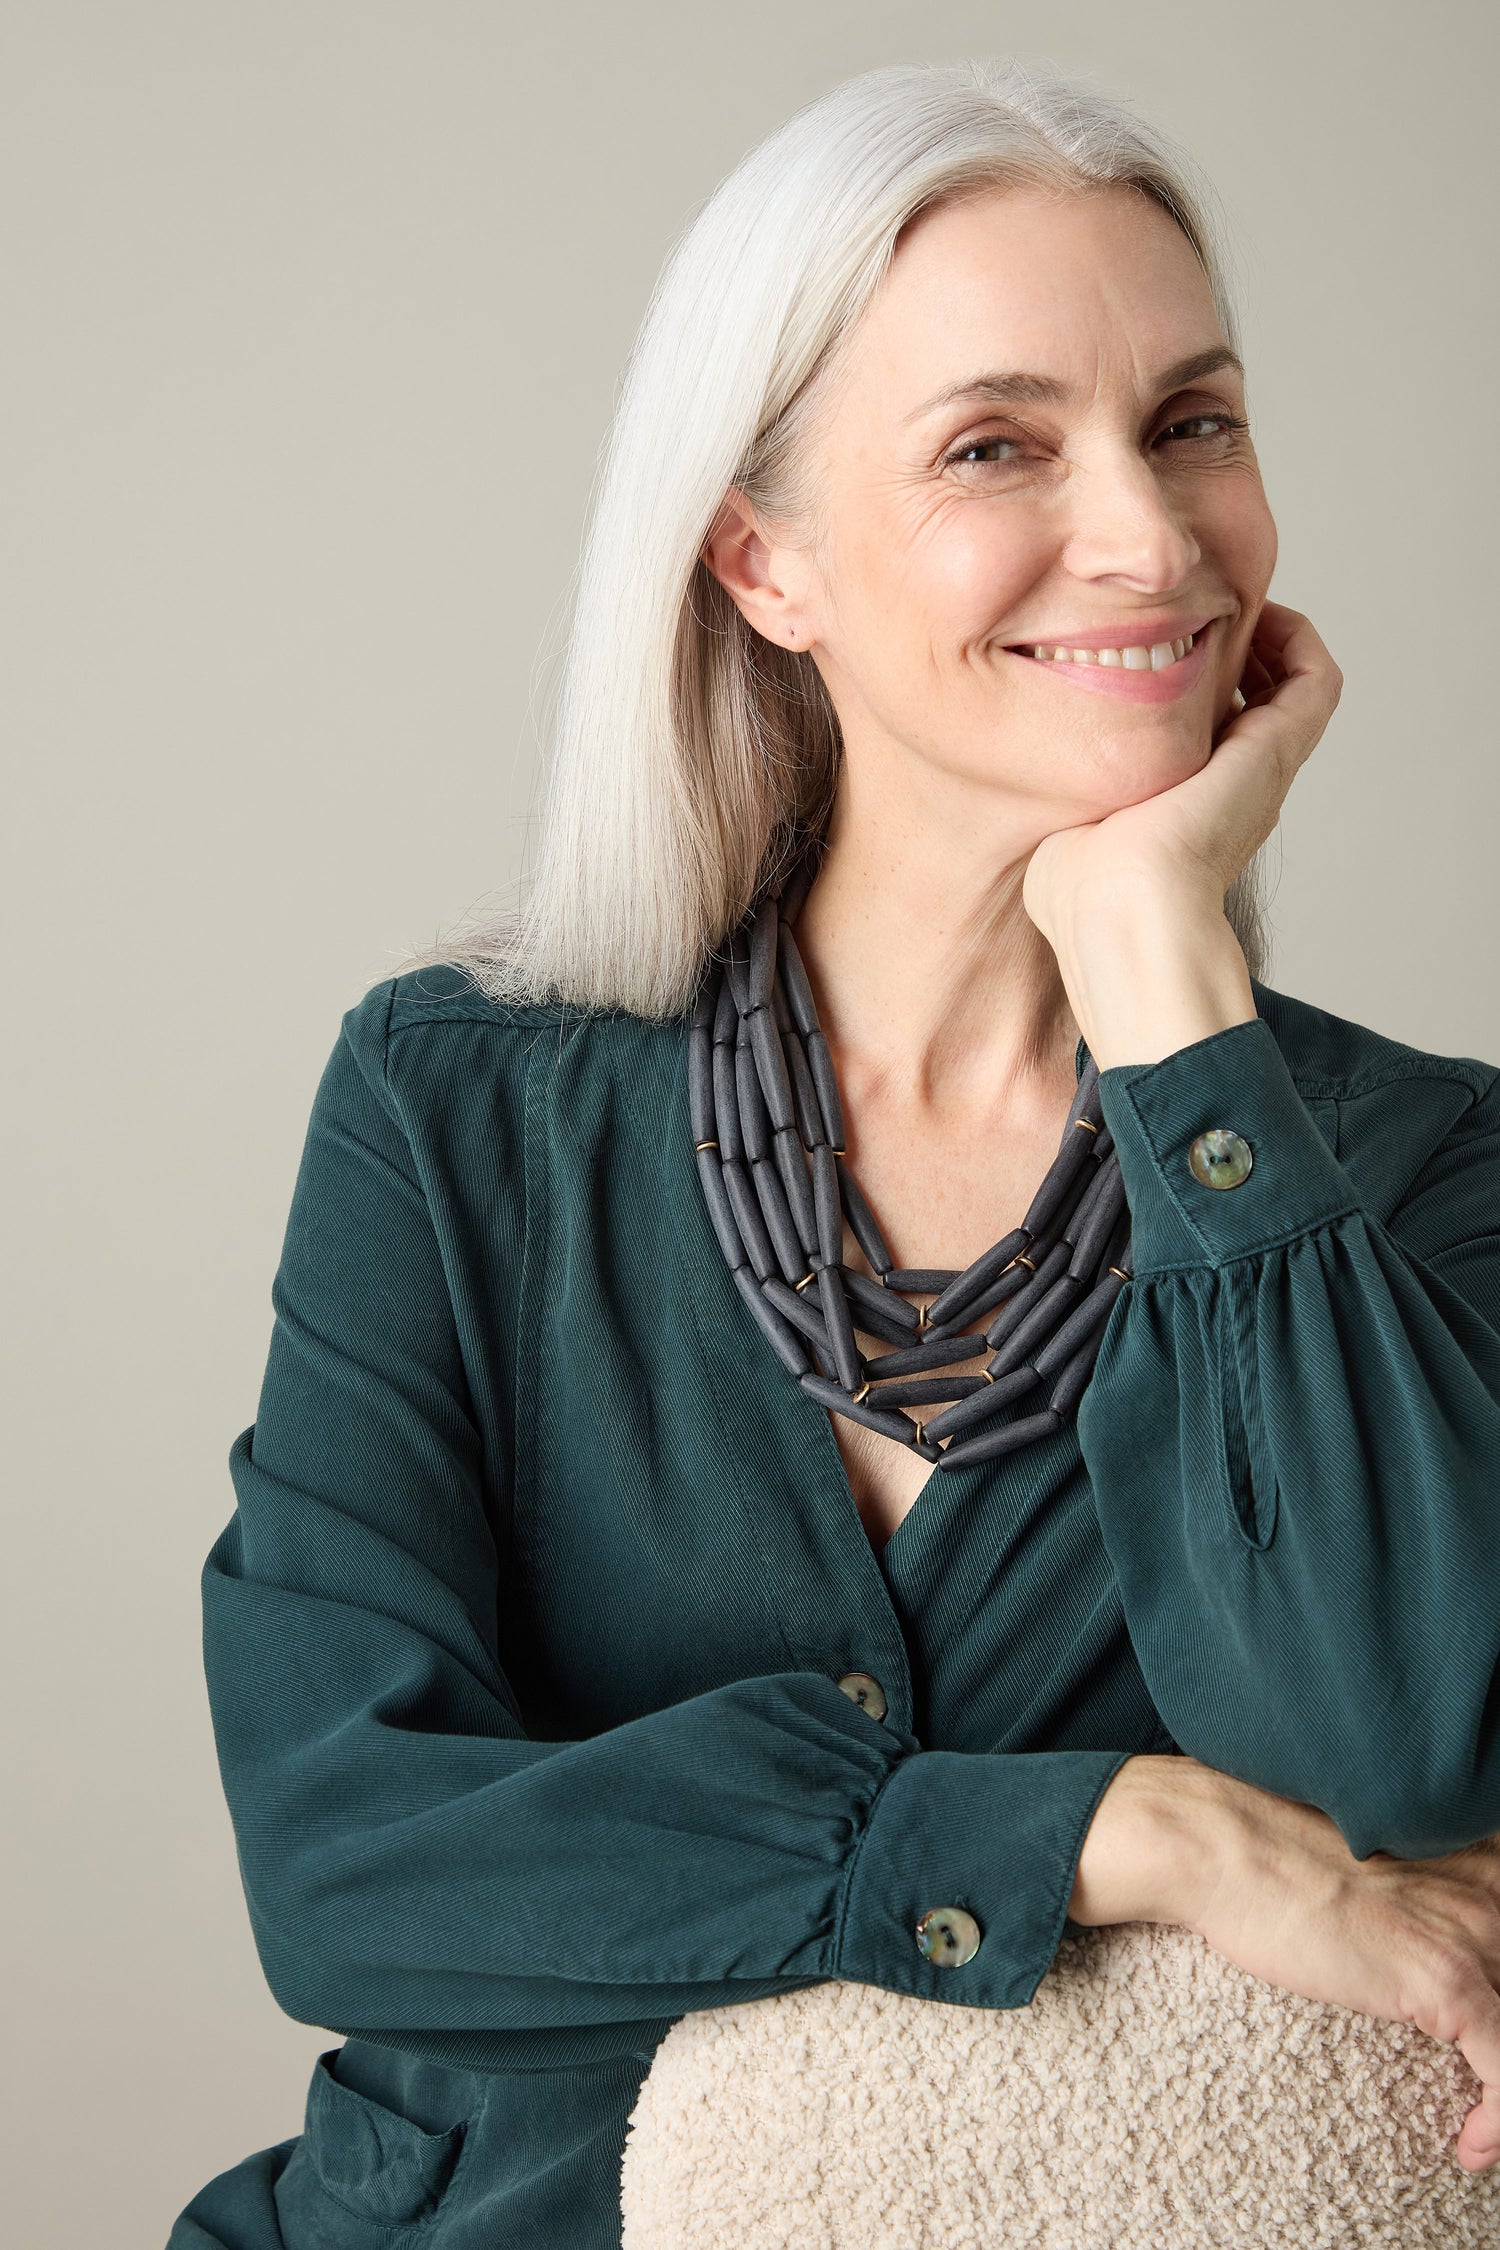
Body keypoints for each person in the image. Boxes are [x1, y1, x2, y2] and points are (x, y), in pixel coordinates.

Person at [166, 57, 1500, 2250]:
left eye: (1195, 421)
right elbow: (351, 1864)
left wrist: (1166, 975)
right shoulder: (455, 1107)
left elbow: (1399, 1770)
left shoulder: (1410, 1168)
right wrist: (1113, 1832)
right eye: (998, 444)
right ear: (760, 558)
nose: (1155, 539)